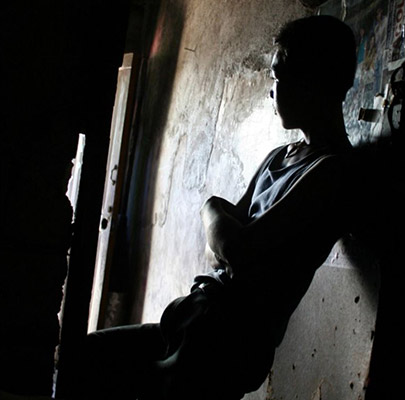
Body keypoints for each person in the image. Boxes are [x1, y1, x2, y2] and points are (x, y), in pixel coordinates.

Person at [74, 15, 358, 400]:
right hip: (195, 313)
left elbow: (235, 248)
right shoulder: (281, 155)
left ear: (314, 82)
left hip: (227, 341)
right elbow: (222, 248)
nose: (272, 91)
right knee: (86, 355)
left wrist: (210, 207)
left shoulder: (332, 170)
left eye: (280, 75)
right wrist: (225, 237)